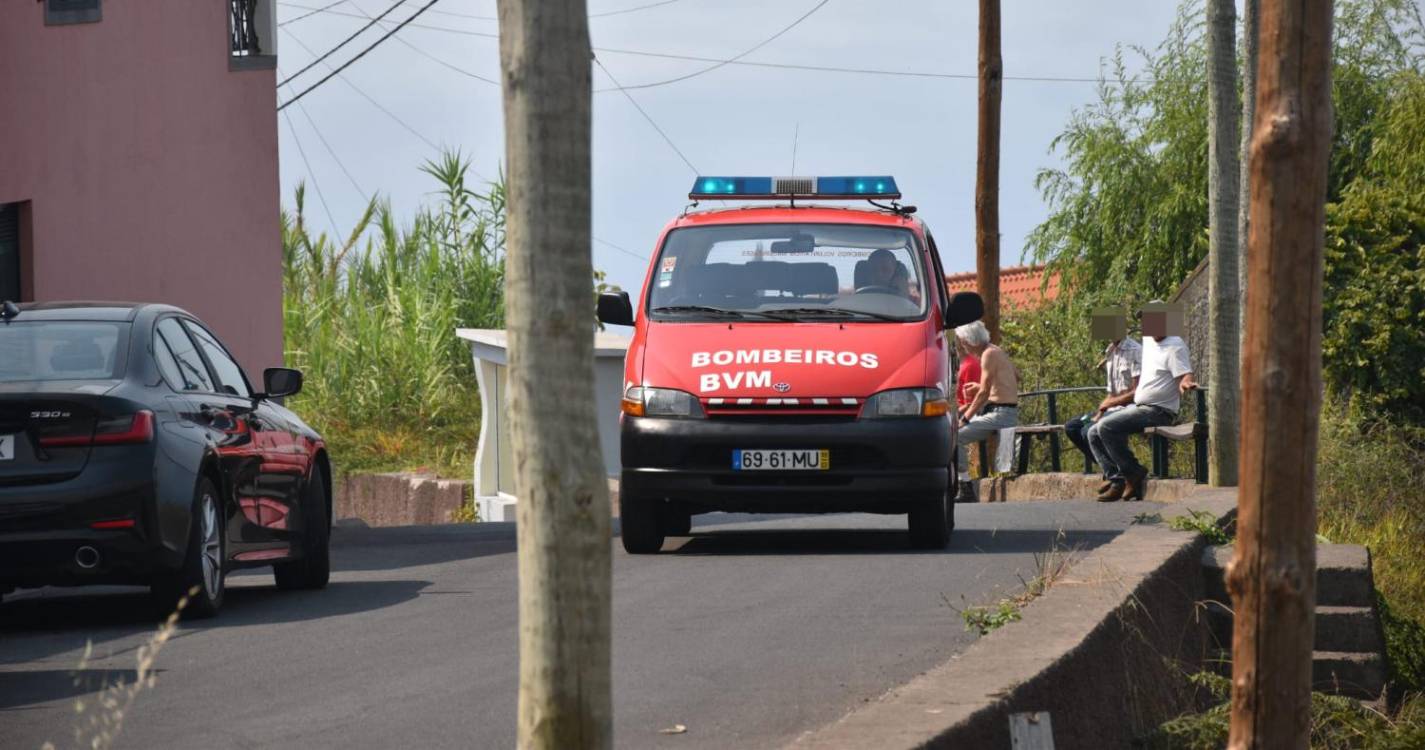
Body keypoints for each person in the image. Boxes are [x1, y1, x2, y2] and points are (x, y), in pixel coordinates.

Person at [1089, 306, 1197, 501]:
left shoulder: (1175, 345)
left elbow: (1185, 372)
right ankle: (1118, 479)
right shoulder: (1148, 340)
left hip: (1159, 410)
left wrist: (1186, 382)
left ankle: (1134, 472)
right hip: (1141, 407)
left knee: (1106, 427)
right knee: (1093, 432)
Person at [1065, 333, 1141, 491]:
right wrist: (1099, 412)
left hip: (1128, 407)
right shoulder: (1110, 351)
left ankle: (1117, 478)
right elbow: (1110, 392)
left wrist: (1109, 405)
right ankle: (1112, 469)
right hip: (1110, 407)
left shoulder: (1135, 350)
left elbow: (1137, 392)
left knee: (1089, 430)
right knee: (1073, 426)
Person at [955, 320, 1018, 482]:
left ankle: (965, 483)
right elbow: (1017, 376)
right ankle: (967, 481)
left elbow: (983, 393)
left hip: (1001, 414)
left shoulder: (988, 354)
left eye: (963, 342)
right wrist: (983, 386)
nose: (963, 347)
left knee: (954, 436)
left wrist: (965, 418)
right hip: (1005, 411)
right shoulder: (996, 350)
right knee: (1003, 467)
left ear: (971, 341)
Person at [954, 336, 982, 487]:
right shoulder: (960, 364)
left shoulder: (970, 365)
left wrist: (955, 413)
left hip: (971, 412)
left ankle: (965, 481)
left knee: (952, 435)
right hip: (960, 410)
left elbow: (972, 403)